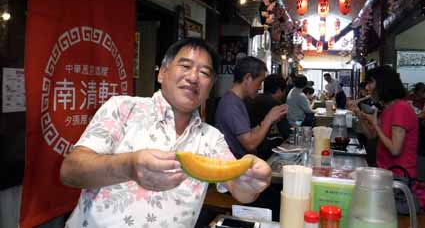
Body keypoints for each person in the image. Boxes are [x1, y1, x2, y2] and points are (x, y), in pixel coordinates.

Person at [60, 38, 272, 228]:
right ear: (162, 73)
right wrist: (128, 166)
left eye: (205, 72)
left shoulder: (211, 138)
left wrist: (251, 181)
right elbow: (70, 171)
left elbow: (238, 188)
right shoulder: (123, 108)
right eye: (185, 66)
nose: (193, 77)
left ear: (210, 88)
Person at [347, 66, 423, 207]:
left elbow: (395, 149)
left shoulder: (401, 108)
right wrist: (359, 114)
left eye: (371, 83)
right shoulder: (388, 108)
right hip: (385, 174)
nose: (368, 88)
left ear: (382, 84)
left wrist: (376, 125)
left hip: (399, 179)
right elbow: (371, 136)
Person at [215, 56, 287, 159]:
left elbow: (247, 134)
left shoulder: (236, 100)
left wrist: (271, 120)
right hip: (237, 167)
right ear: (248, 78)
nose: (261, 87)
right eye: (260, 81)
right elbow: (250, 144)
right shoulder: (231, 104)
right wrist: (269, 119)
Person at [245, 74, 291, 160]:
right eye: (283, 91)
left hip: (250, 144)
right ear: (279, 90)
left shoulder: (255, 99)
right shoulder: (276, 105)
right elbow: (285, 130)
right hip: (264, 147)